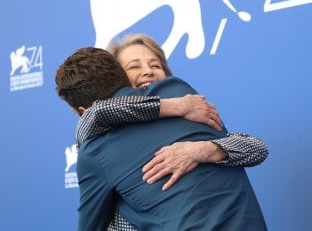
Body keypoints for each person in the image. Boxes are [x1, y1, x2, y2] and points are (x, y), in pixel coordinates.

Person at [56, 49, 267, 230]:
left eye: (153, 64)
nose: (146, 72)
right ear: (121, 74)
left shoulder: (93, 150)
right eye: (134, 66)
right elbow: (99, 113)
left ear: (82, 111)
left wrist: (202, 150)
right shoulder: (179, 90)